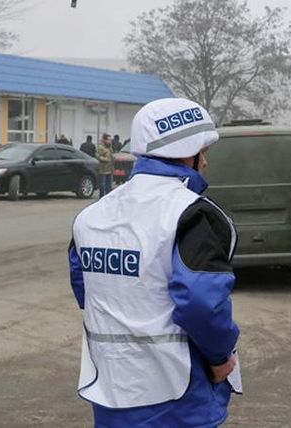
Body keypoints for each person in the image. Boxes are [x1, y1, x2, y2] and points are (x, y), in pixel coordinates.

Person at [68, 98, 241, 426]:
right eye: (203, 152)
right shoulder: (190, 213)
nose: (205, 162)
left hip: (109, 389)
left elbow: (85, 290)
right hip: (176, 394)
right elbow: (202, 304)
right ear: (188, 153)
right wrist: (220, 357)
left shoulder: (91, 216)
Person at [96, 133, 114, 197]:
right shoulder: (101, 147)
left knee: (109, 187)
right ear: (105, 140)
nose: (110, 141)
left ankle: (108, 199)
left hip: (110, 169)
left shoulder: (110, 147)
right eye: (109, 140)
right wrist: (106, 159)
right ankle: (101, 198)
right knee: (102, 186)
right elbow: (97, 156)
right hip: (103, 170)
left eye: (111, 140)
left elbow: (111, 156)